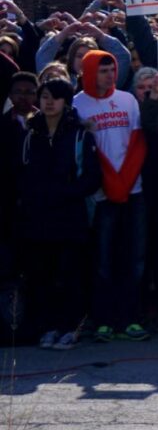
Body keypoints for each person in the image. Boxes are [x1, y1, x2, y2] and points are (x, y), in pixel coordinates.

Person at [18, 77, 101, 349]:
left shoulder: (80, 134)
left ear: (66, 102)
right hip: (38, 218)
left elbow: (91, 178)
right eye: (44, 97)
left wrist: (65, 193)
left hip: (70, 216)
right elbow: (23, 174)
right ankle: (49, 325)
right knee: (43, 275)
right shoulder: (31, 134)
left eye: (54, 97)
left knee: (71, 274)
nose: (48, 102)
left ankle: (71, 326)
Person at [73, 49, 149, 343]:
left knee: (134, 258)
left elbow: (138, 143)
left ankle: (130, 319)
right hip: (101, 194)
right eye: (102, 70)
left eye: (111, 69)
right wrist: (106, 182)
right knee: (102, 260)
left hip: (134, 189)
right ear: (89, 72)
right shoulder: (77, 105)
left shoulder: (128, 100)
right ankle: (104, 320)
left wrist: (125, 180)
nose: (109, 75)